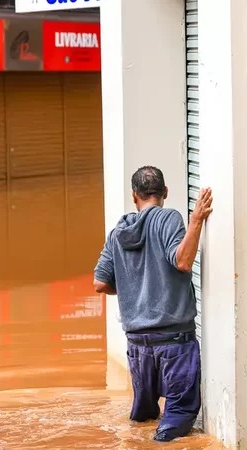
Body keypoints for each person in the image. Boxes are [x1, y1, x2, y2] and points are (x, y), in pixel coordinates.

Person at [93, 166, 213, 442]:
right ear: (165, 193)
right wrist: (195, 222)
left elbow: (99, 283)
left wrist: (130, 290)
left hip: (137, 345)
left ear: (134, 196)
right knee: (175, 424)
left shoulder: (117, 233)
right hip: (174, 342)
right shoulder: (168, 218)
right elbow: (182, 262)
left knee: (143, 420)